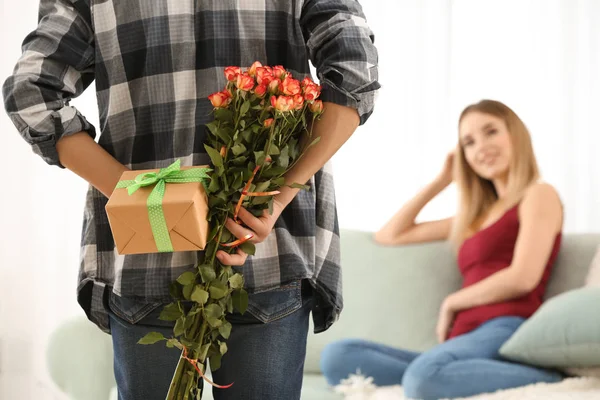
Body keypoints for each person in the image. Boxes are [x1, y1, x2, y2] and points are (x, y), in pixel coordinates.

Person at [2, 1, 379, 399]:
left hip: (147, 256)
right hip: (266, 251)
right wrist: (277, 197)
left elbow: (32, 93)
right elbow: (355, 72)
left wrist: (146, 201)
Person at [320, 100, 565, 400]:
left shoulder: (538, 194)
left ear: (516, 135)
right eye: (469, 143)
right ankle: (447, 373)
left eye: (491, 132)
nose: (482, 147)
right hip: (462, 338)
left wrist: (453, 302)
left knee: (423, 379)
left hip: (504, 325)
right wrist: (441, 181)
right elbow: (389, 236)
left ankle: (553, 378)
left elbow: (523, 277)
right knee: (338, 356)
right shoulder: (474, 219)